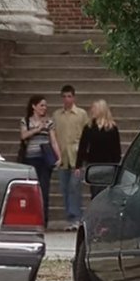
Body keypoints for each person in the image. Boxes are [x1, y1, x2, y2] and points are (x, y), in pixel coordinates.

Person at [19, 95, 62, 228]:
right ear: (34, 106)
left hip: (44, 160)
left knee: (44, 189)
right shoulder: (26, 121)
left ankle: (43, 220)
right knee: (30, 190)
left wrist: (59, 156)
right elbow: (23, 135)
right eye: (41, 105)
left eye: (45, 106)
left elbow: (53, 140)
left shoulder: (49, 122)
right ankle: (29, 218)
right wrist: (37, 129)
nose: (44, 108)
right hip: (30, 159)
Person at [52, 85, 88, 231]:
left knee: (74, 187)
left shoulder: (81, 114)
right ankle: (70, 217)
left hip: (76, 156)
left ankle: (76, 217)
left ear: (74, 97)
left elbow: (87, 133)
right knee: (65, 188)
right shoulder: (56, 115)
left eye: (69, 96)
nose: (67, 99)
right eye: (64, 97)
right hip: (62, 157)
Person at [76, 99, 121, 199]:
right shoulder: (89, 127)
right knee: (95, 192)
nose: (92, 110)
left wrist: (117, 166)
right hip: (94, 165)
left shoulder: (112, 128)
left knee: (106, 192)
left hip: (108, 165)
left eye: (94, 108)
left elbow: (116, 150)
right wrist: (78, 164)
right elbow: (83, 146)